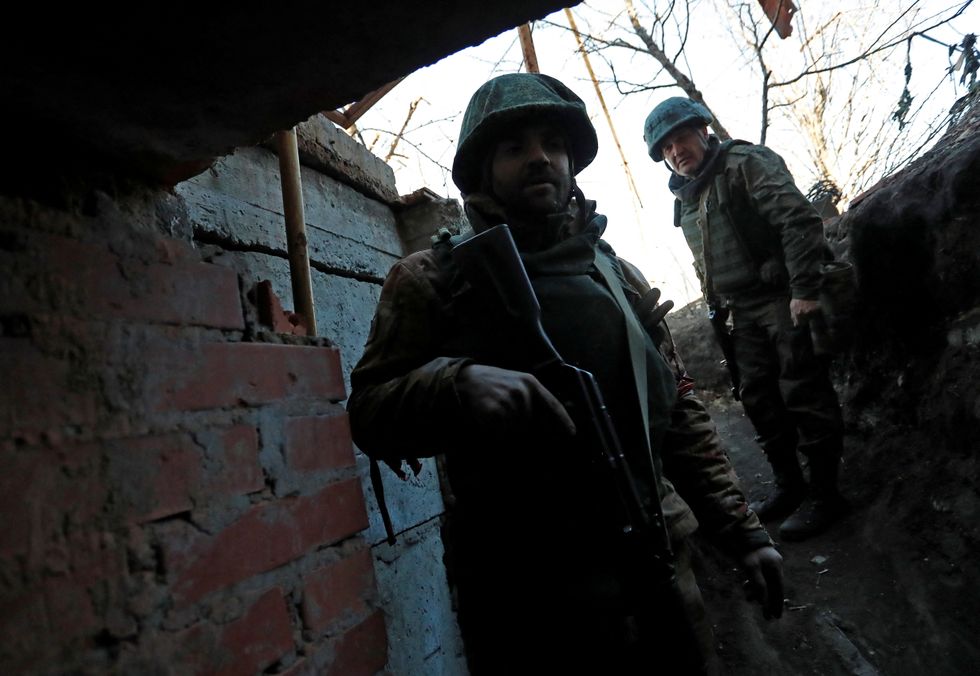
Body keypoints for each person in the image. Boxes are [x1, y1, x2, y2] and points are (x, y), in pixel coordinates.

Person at [348, 74, 783, 674]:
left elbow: (678, 411)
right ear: (482, 170)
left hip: (656, 559)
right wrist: (456, 384)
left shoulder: (615, 274)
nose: (540, 158)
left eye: (553, 144)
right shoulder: (433, 279)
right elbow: (369, 412)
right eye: (515, 147)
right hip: (531, 601)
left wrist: (743, 532)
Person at [642, 97, 848, 542]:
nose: (676, 151)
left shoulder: (744, 164)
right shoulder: (687, 198)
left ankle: (826, 493)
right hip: (738, 312)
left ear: (703, 132)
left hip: (780, 296)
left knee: (803, 390)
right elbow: (707, 262)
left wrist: (804, 290)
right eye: (667, 148)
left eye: (682, 138)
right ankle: (790, 486)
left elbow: (798, 219)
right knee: (758, 397)